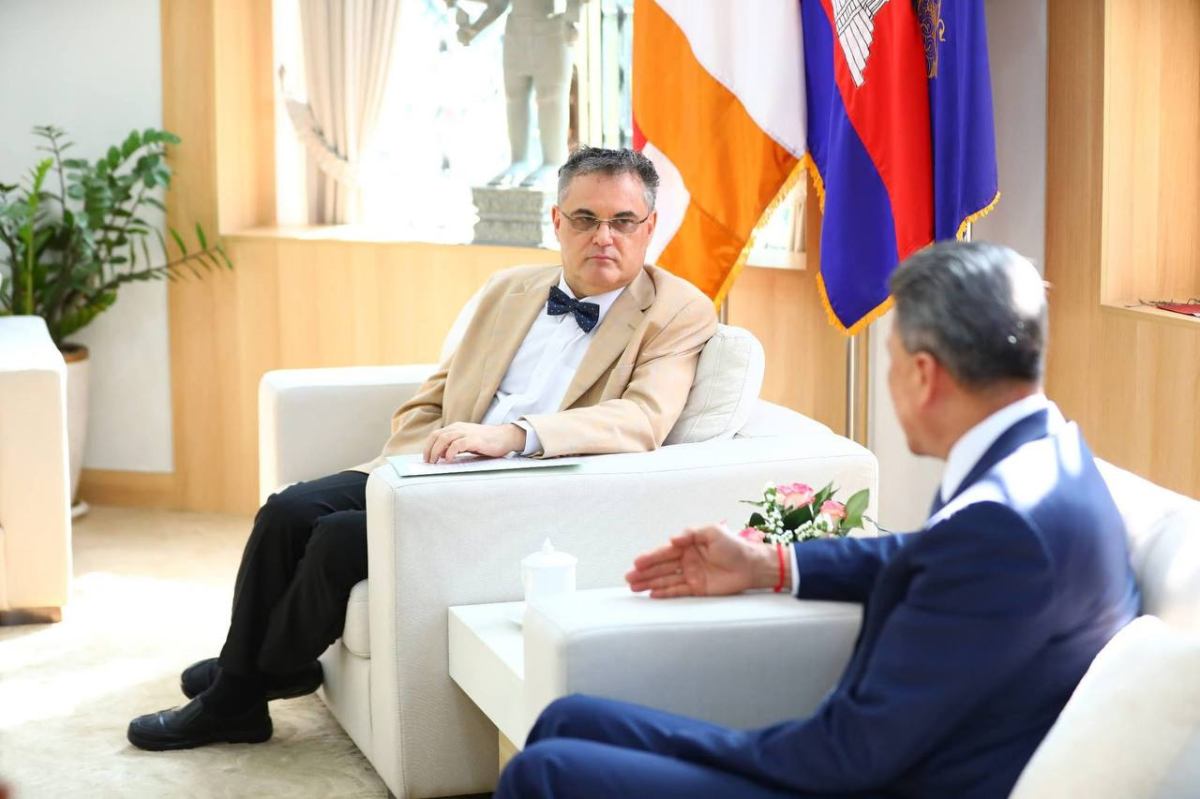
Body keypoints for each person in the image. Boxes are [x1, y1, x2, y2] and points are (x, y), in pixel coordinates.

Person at [497, 241, 1141, 799]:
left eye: (891, 360)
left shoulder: (1004, 528)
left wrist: (727, 749)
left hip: (874, 779)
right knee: (566, 720)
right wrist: (770, 564)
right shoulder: (1047, 460)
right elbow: (926, 556)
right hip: (873, 759)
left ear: (923, 375)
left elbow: (846, 756)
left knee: (546, 772)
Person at [126, 146, 717, 751]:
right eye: (586, 218)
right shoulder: (509, 288)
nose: (604, 237)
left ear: (649, 227)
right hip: (435, 469)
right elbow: (436, 392)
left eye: (623, 221)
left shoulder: (678, 312)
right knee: (286, 510)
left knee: (337, 539)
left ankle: (240, 687)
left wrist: (514, 436)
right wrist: (410, 466)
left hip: (524, 489)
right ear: (557, 222)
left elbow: (641, 419)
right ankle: (258, 673)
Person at [447, 0, 586, 189]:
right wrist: (473, 28)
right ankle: (519, 160)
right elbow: (498, 4)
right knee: (515, 96)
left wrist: (573, 16)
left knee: (551, 99)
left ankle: (552, 162)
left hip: (552, 29)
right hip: (516, 31)